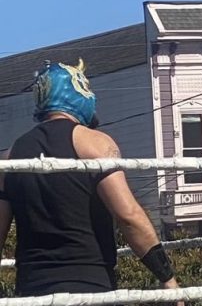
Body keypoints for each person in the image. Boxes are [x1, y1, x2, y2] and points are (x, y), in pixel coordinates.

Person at [0, 59, 181, 301]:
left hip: (31, 291)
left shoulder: (12, 154)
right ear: (77, 91)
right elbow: (129, 216)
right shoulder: (94, 143)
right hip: (89, 287)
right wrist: (167, 277)